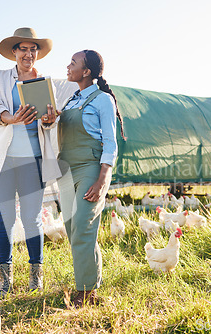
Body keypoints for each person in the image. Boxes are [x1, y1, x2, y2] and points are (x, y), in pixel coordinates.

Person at [0, 27, 61, 297]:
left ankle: (35, 278)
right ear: (14, 52)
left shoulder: (45, 82)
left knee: (32, 219)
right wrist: (11, 118)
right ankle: (5, 281)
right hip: (3, 159)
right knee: (4, 219)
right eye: (23, 49)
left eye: (33, 49)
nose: (29, 54)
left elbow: (51, 124)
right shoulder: (0, 78)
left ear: (38, 53)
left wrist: (50, 120)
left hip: (31, 159)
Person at [46, 50, 126, 308]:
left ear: (87, 71)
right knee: (72, 229)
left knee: (83, 225)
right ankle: (90, 281)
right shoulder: (71, 101)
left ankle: (86, 291)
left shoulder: (103, 100)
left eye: (73, 63)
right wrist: (50, 120)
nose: (68, 66)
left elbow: (110, 142)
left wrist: (103, 179)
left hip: (91, 167)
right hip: (66, 168)